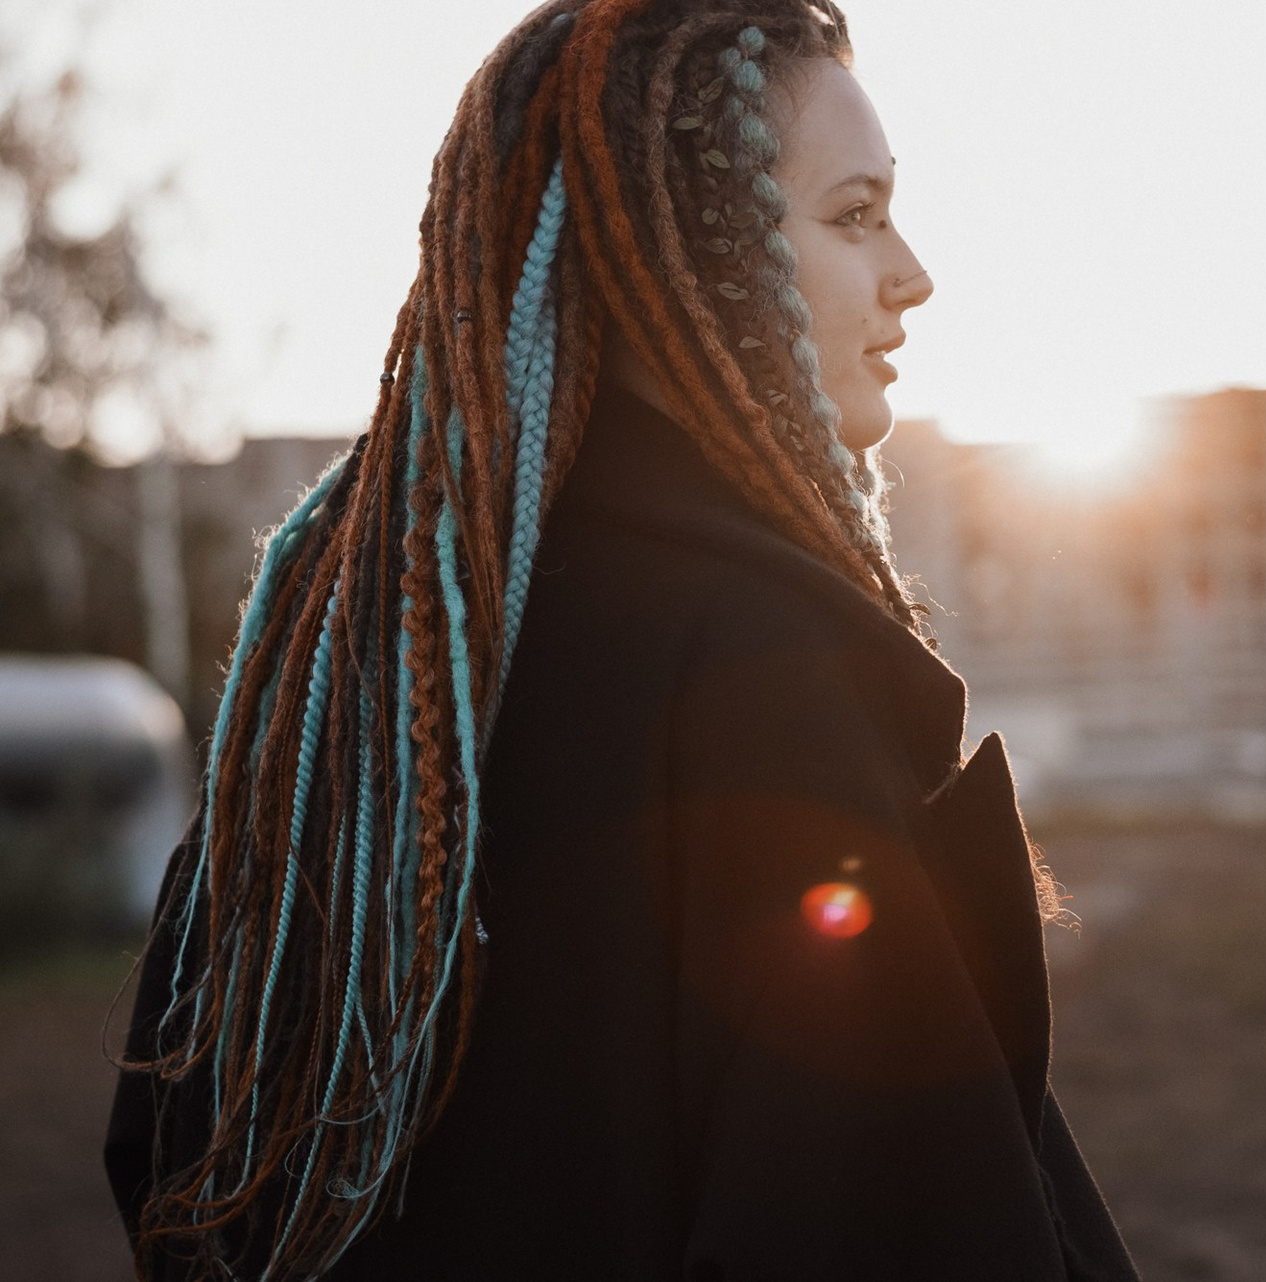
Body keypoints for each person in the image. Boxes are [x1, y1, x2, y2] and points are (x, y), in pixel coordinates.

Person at [103, 1, 1140, 1278]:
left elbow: (175, 1137)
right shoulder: (764, 665)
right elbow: (886, 1207)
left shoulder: (365, 637)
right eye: (855, 215)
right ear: (699, 249)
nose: (912, 273)